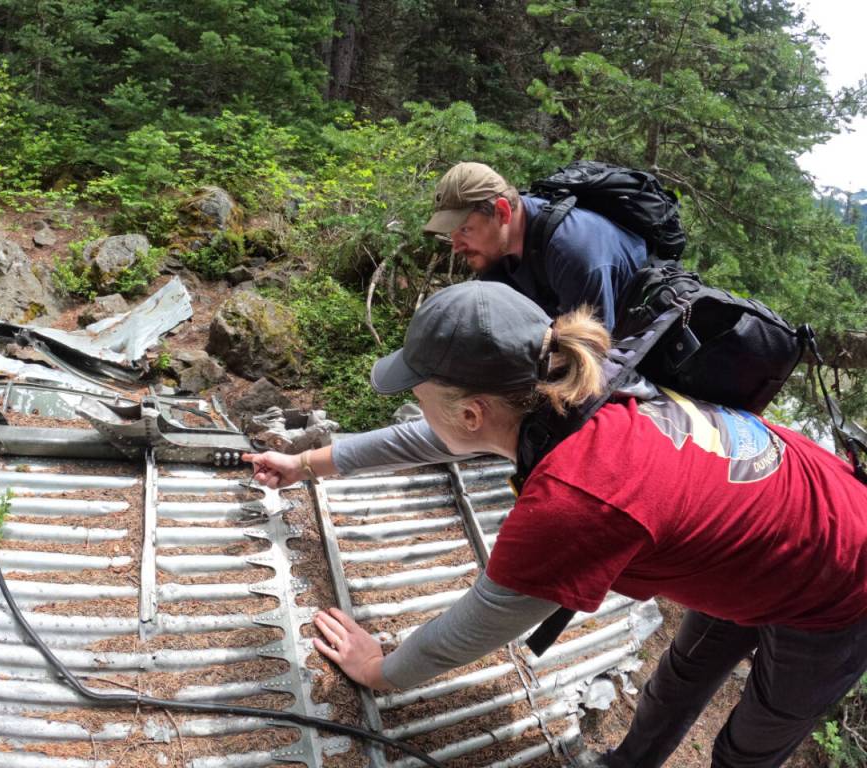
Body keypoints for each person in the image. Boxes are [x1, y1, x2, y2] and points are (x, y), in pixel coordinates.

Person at [243, 281, 867, 767]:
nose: (415, 405)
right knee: (682, 675)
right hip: (782, 524)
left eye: (420, 393)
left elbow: (470, 630)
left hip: (845, 585)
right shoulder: (582, 382)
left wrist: (377, 668)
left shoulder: (577, 499)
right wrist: (306, 463)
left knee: (748, 745)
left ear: (470, 412)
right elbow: (428, 439)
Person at [424, 161, 649, 330]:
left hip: (640, 341)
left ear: (502, 212)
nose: (456, 247)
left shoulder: (571, 253)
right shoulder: (501, 248)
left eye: (464, 230)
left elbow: (591, 363)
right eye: (452, 233)